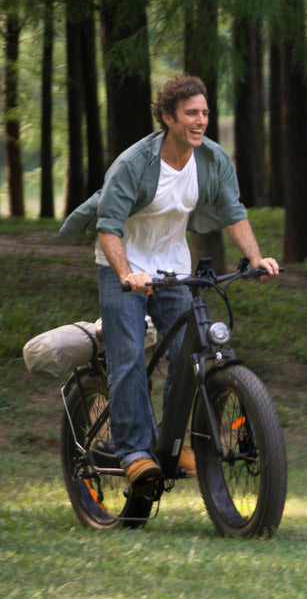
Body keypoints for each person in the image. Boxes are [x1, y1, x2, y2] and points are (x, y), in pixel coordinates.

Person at [60, 74, 279, 488]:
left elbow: (234, 211)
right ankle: (134, 451)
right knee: (128, 360)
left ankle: (173, 442)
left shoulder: (211, 159)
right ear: (167, 117)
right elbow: (108, 228)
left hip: (173, 267)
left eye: (205, 113)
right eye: (191, 113)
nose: (200, 121)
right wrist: (126, 273)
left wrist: (255, 257)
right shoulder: (134, 164)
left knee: (190, 356)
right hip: (121, 266)